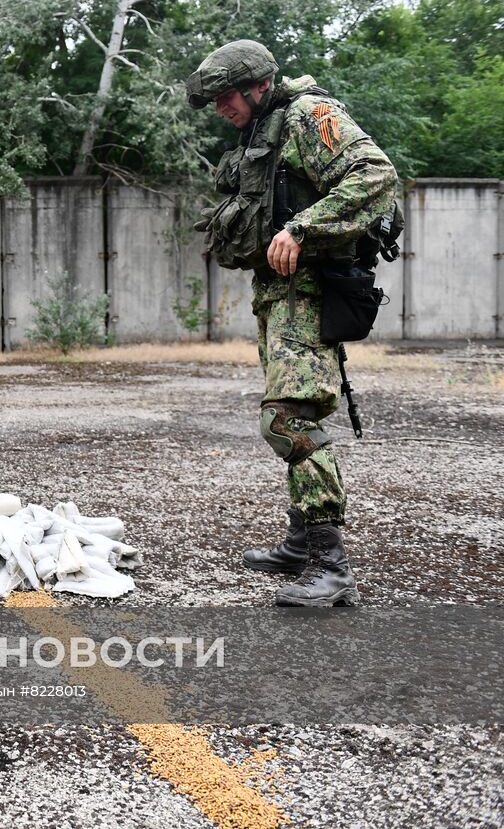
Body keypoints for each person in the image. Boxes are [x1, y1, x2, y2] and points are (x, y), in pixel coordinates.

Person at [185, 39, 401, 606]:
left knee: (287, 420)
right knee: (289, 413)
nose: (219, 107)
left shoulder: (311, 115)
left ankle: (331, 569)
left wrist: (301, 228)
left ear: (257, 85)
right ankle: (302, 544)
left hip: (309, 292)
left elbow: (376, 174)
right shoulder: (263, 130)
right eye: (213, 100)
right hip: (279, 294)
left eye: (225, 96)